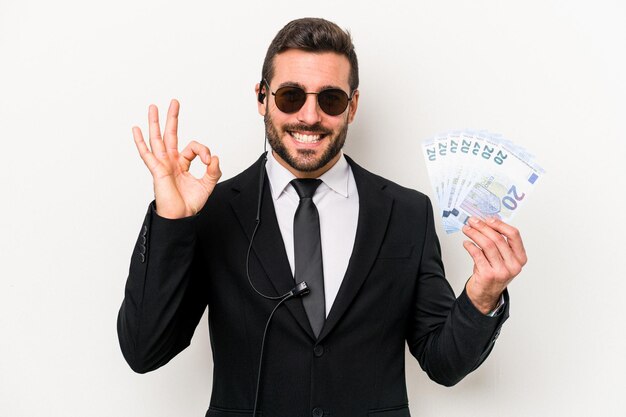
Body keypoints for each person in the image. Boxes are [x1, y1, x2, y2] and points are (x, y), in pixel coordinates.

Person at [117, 17, 527, 417]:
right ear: (262, 97)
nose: (310, 116)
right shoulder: (214, 211)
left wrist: (482, 296)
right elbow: (144, 351)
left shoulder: (407, 213)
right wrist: (171, 220)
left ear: (353, 106)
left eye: (329, 99)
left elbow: (444, 363)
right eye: (290, 96)